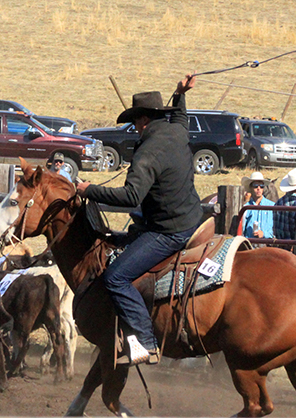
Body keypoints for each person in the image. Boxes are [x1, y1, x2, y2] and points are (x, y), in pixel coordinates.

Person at [76, 73, 202, 366]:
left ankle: (146, 341)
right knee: (120, 239)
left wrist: (89, 190)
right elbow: (180, 116)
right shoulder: (177, 132)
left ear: (144, 120)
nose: (134, 128)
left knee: (115, 277)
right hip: (192, 218)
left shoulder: (147, 152)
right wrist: (180, 93)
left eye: (135, 122)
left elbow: (132, 196)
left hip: (169, 231)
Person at [241, 172, 274, 239]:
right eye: (255, 186)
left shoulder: (272, 206)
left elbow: (276, 230)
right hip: (250, 243)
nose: (259, 188)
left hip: (267, 243)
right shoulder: (246, 208)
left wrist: (264, 234)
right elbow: (242, 231)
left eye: (261, 186)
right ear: (251, 188)